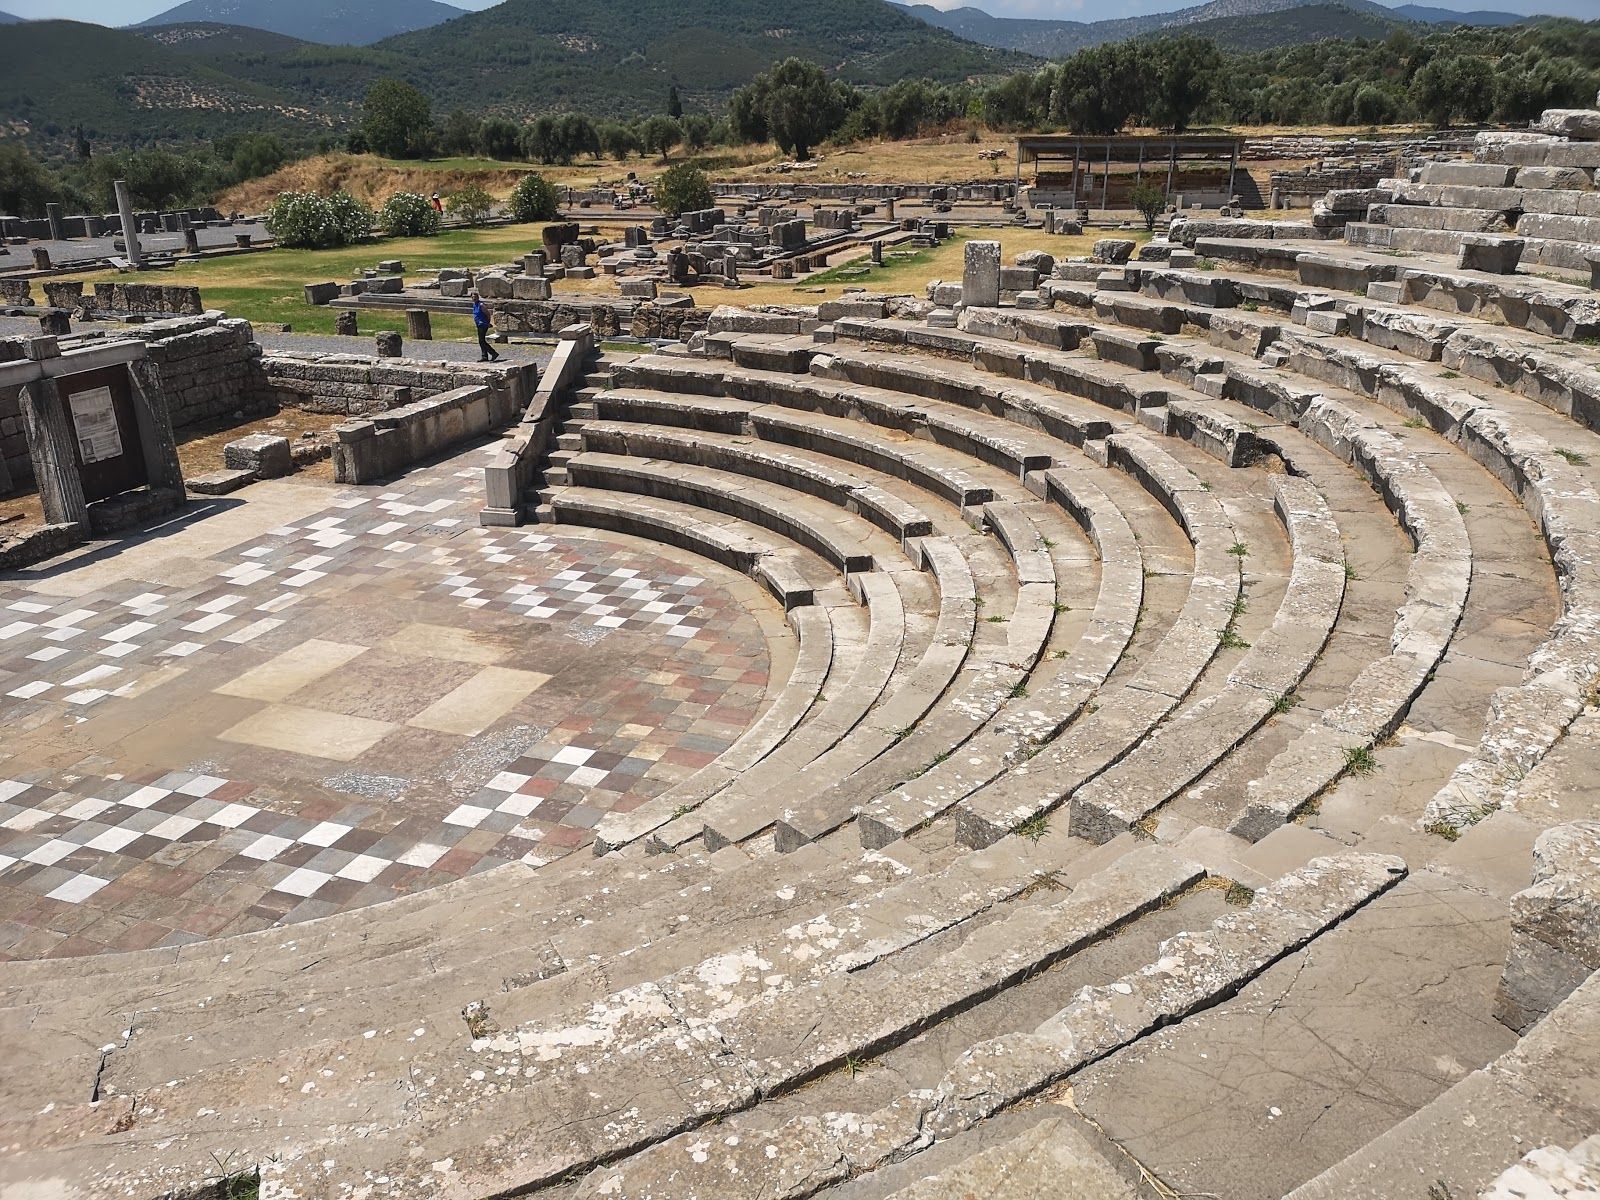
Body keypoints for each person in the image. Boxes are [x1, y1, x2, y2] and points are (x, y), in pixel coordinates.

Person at [470, 290, 500, 362]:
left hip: (483, 324)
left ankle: (493, 353)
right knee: (481, 341)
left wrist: (488, 323)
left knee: (481, 341)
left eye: (475, 297)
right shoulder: (475, 305)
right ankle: (485, 356)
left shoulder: (481, 305)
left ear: (478, 297)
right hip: (479, 324)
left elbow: (488, 314)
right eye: (472, 297)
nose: (474, 298)